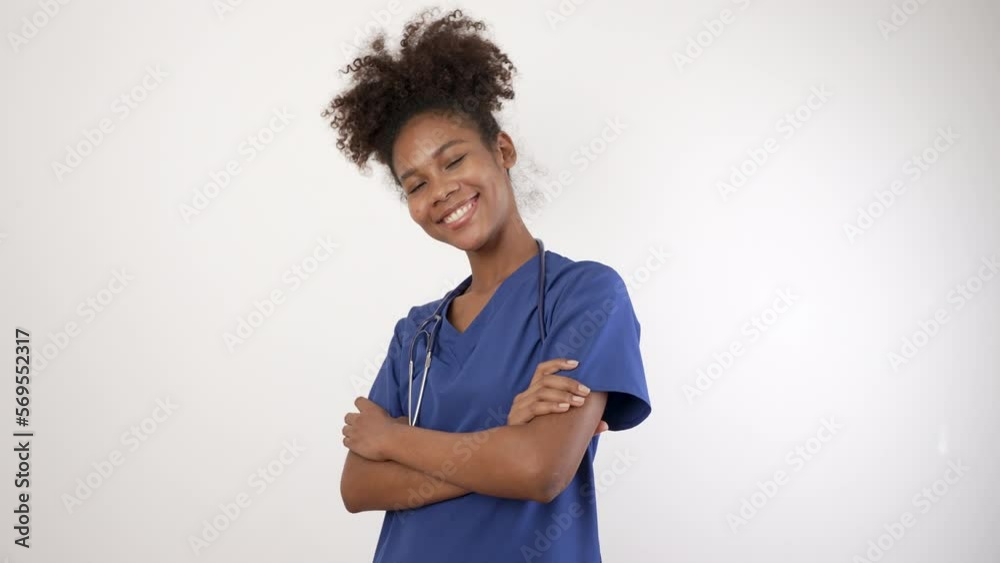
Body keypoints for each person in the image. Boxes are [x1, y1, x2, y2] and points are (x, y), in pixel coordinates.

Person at [323, 7, 652, 562]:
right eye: (417, 184)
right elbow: (358, 487)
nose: (441, 192)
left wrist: (393, 440)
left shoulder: (586, 297)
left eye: (453, 161)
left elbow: (539, 471)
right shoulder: (417, 333)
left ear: (502, 151)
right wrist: (503, 439)